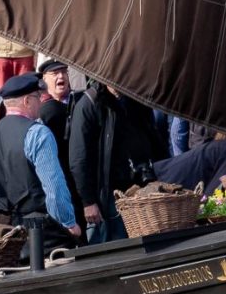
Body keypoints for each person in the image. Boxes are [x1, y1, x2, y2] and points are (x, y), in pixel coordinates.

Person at [0, 72, 77, 260]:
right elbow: (54, 188)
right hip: (45, 235)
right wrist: (69, 223)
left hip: (9, 237)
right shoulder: (38, 133)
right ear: (26, 101)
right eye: (37, 97)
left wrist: (4, 224)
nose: (41, 102)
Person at [66, 76, 162, 241]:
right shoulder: (89, 104)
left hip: (139, 187)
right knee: (115, 248)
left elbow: (153, 139)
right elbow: (78, 159)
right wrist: (88, 202)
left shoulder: (136, 100)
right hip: (108, 194)